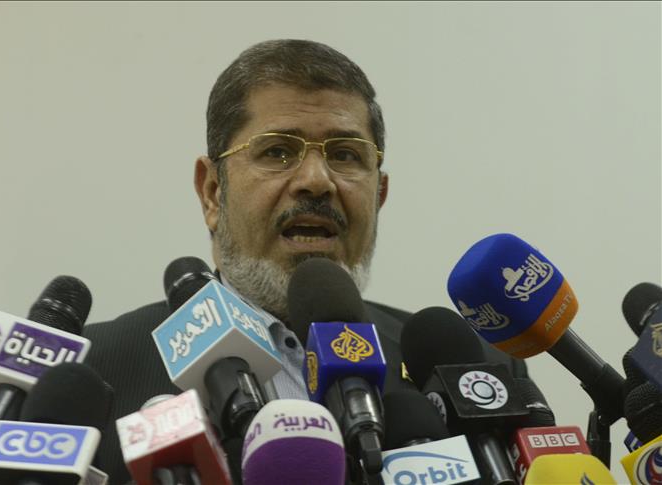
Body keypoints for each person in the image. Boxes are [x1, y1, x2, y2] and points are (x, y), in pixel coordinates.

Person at [82, 39, 528, 484]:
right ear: (213, 192)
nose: (316, 181)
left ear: (379, 196)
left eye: (345, 155)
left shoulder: (474, 371)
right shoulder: (95, 373)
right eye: (277, 151)